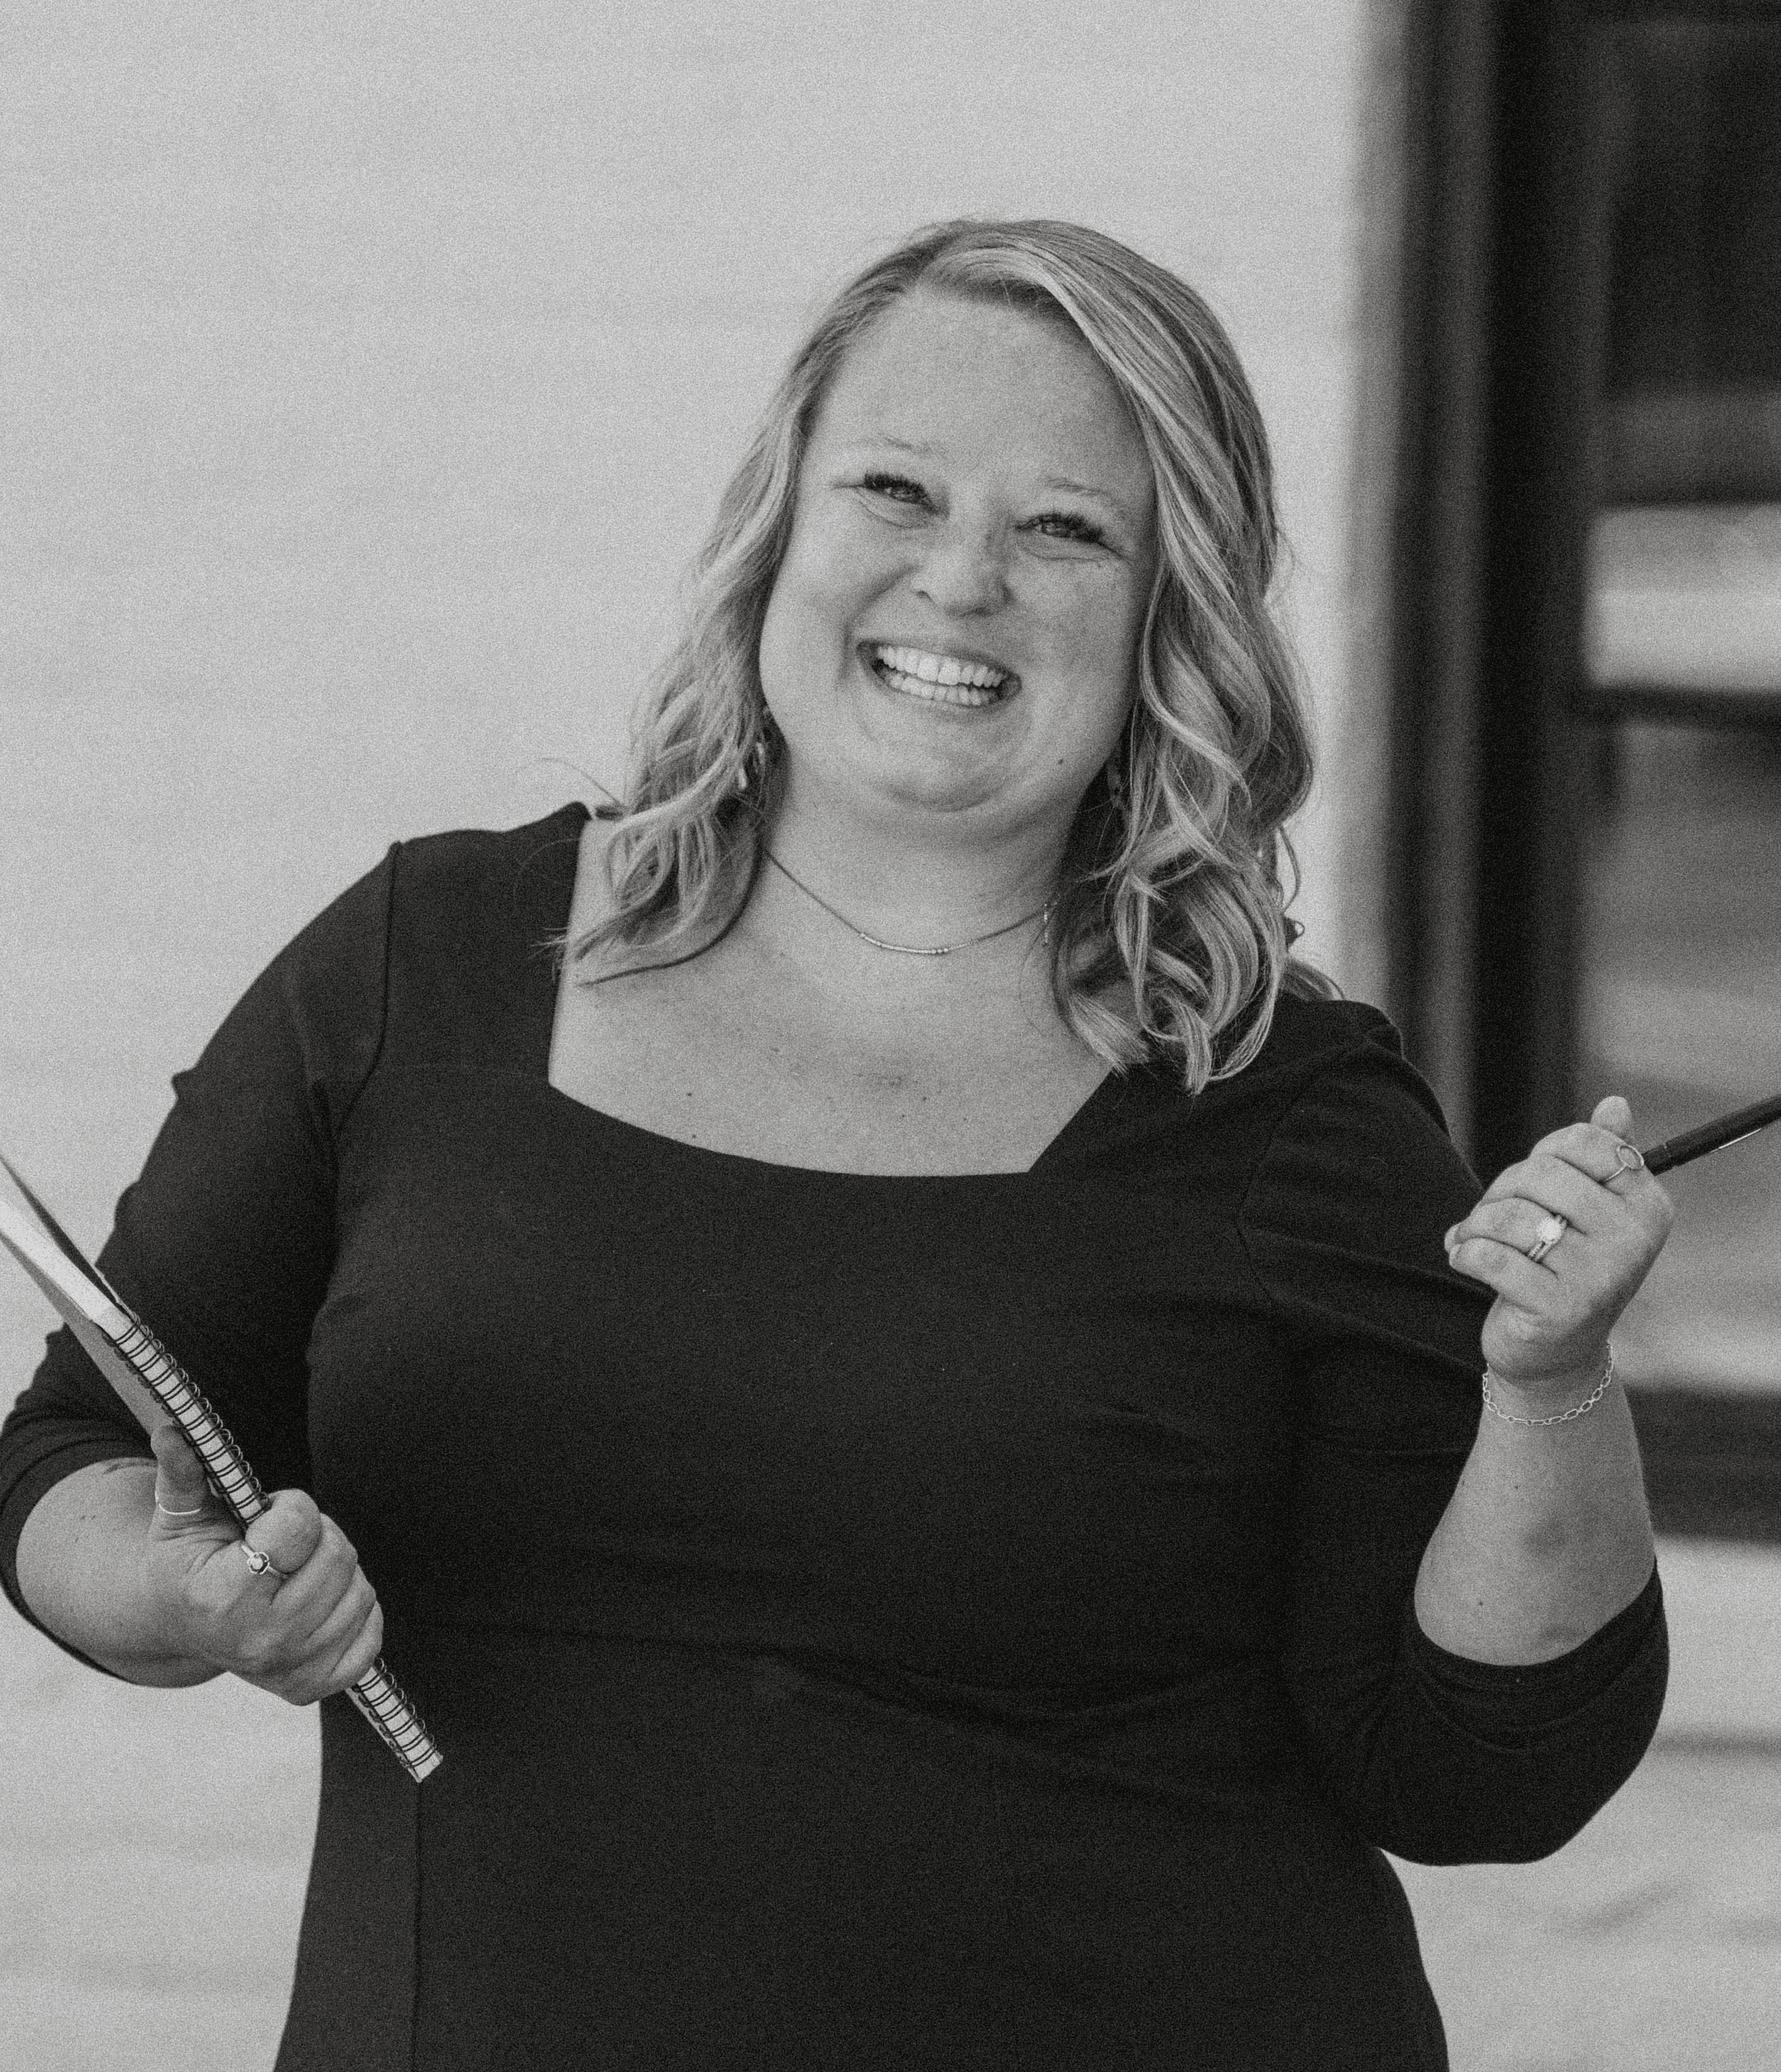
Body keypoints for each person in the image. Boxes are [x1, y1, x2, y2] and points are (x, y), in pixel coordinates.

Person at [0, 218, 1673, 2070]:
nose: (960, 577)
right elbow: (80, 1451)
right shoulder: (425, 970)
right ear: (781, 522)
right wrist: (188, 1596)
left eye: (1066, 529)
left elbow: (1480, 1768)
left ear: (1164, 618)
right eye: (895, 486)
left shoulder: (1285, 1109)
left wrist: (1551, 1380)